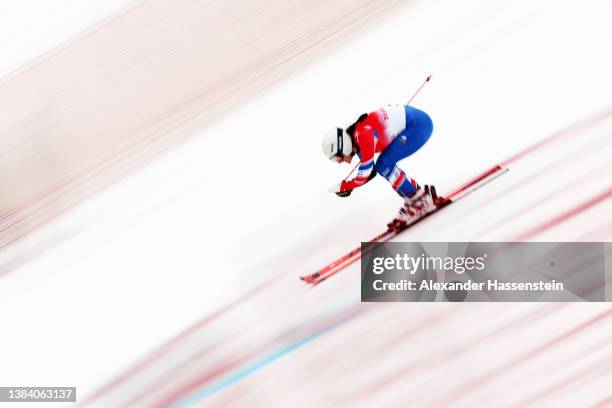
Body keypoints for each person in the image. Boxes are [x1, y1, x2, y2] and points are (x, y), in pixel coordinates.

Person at [321, 104, 443, 229]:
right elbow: (372, 171)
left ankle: (420, 199)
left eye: (337, 158)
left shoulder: (363, 135)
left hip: (418, 126)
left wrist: (346, 186)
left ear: (343, 147)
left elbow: (366, 173)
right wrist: (350, 186)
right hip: (414, 122)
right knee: (382, 165)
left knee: (385, 164)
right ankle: (414, 197)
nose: (340, 162)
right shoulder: (357, 138)